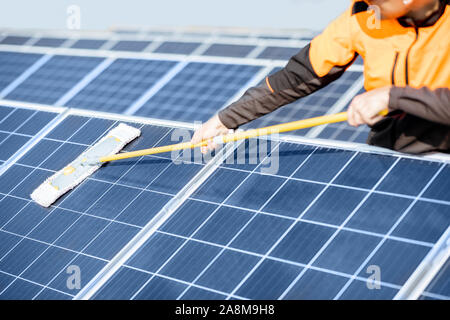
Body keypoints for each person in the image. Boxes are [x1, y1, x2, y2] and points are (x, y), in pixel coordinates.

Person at [192, 0, 449, 154]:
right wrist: (226, 119)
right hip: (388, 153)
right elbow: (299, 75)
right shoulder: (363, 15)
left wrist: (393, 97)